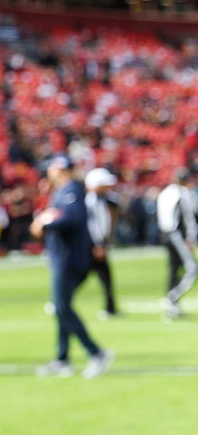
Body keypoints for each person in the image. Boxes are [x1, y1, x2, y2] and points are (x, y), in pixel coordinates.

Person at [30, 153, 114, 379]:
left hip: (68, 260)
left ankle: (96, 353)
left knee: (62, 307)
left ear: (59, 170)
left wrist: (45, 222)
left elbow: (72, 219)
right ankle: (62, 358)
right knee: (61, 308)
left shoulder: (72, 191)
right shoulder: (63, 191)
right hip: (63, 257)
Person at [156, 168, 198, 319]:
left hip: (165, 234)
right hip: (177, 234)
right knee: (193, 269)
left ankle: (173, 306)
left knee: (174, 268)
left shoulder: (165, 192)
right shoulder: (183, 193)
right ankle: (171, 298)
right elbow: (188, 217)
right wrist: (191, 238)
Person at [84, 167, 120, 319]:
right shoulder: (91, 201)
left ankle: (110, 307)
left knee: (104, 277)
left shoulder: (104, 199)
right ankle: (60, 302)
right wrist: (98, 244)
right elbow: (94, 225)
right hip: (93, 246)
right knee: (79, 276)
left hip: (99, 244)